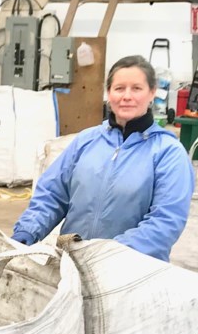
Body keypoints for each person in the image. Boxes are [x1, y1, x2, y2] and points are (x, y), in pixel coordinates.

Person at [12, 54, 193, 262]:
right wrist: (26, 233)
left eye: (136, 88)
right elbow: (52, 195)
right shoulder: (86, 141)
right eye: (119, 88)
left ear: (152, 93)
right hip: (73, 266)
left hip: (134, 271)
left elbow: (165, 222)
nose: (126, 96)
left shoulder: (168, 152)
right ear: (108, 93)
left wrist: (106, 256)